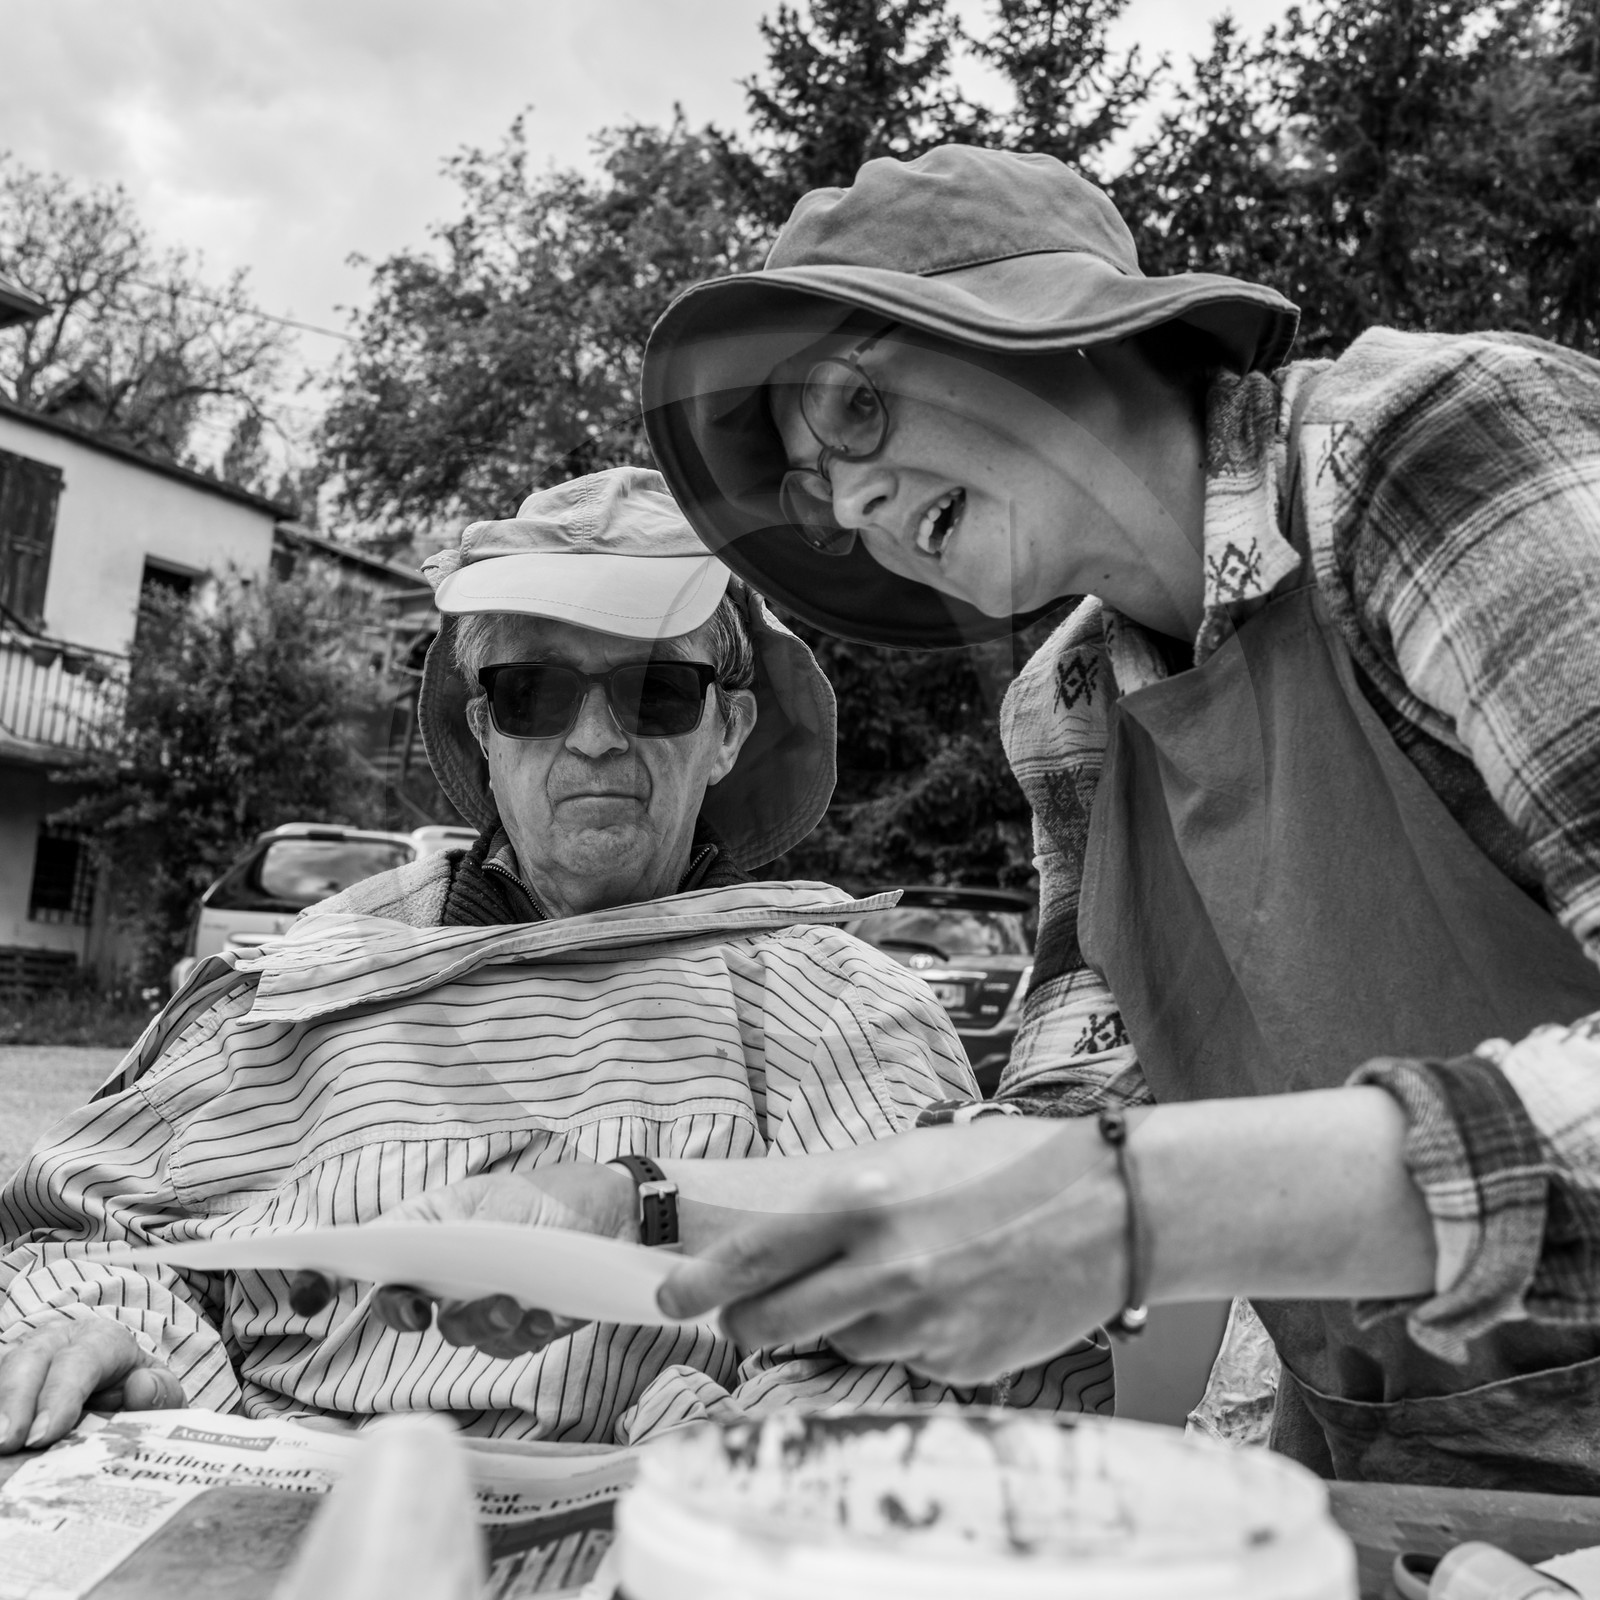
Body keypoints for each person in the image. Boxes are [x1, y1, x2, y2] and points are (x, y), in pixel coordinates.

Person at [626, 145, 1600, 1491]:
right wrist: (641, 1215)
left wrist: (1141, 1206)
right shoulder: (1068, 713)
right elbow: (1054, 1143)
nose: (848, 504)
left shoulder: (1429, 452)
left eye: (854, 408)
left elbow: (1099, 1191)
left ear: (1063, 325)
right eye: (812, 490)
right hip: (1388, 1501)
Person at [0, 467, 1109, 1454]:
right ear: (484, 729)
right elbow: (75, 1230)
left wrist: (725, 1454)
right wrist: (123, 1340)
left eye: (656, 690)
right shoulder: (298, 981)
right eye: (534, 692)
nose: (594, 737)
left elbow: (972, 1315)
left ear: (726, 731)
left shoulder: (838, 1011)